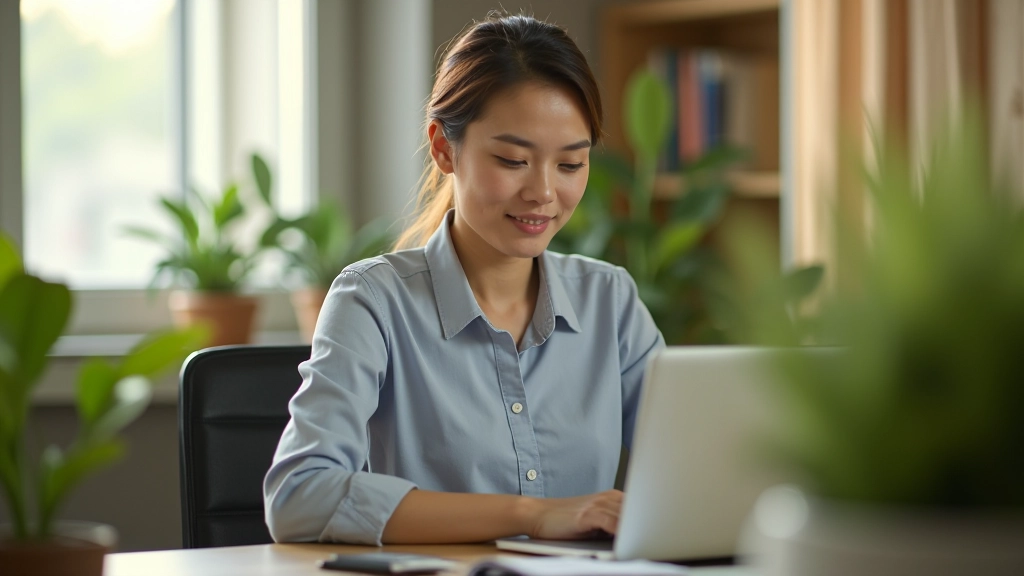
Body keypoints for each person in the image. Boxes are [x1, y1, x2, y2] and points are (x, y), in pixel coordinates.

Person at [263, 14, 664, 546]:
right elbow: (299, 496)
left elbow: (697, 469)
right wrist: (532, 516)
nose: (543, 192)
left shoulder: (609, 300)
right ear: (444, 148)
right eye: (512, 160)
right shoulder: (373, 303)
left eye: (570, 165)